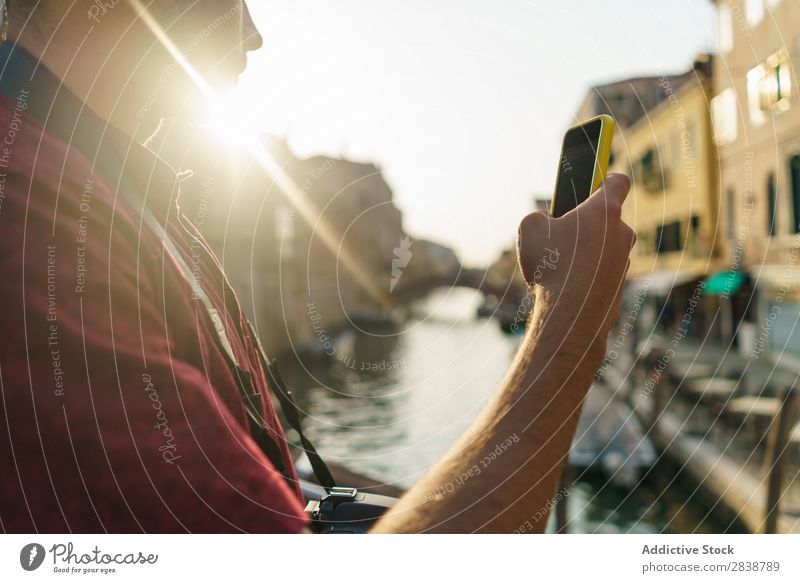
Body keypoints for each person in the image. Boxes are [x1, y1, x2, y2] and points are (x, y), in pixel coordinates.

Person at [0, 1, 635, 533]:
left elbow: (251, 485)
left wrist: (408, 501)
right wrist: (571, 317)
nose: (252, 33)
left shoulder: (129, 198)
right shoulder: (39, 222)